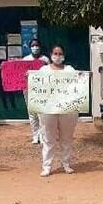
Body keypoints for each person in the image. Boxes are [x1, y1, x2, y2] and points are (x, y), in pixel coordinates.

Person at [38, 45, 79, 177]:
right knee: (48, 138)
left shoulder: (69, 70)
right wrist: (30, 77)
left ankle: (66, 164)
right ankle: (47, 166)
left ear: (64, 55)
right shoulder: (43, 70)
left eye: (60, 53)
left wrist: (85, 77)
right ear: (51, 54)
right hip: (48, 109)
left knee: (66, 138)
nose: (57, 56)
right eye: (55, 53)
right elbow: (37, 84)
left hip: (67, 109)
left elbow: (78, 83)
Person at [22, 38, 49, 144]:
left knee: (42, 114)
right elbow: (20, 74)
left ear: (40, 47)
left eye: (37, 45)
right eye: (33, 46)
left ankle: (42, 135)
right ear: (30, 48)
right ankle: (35, 135)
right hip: (28, 89)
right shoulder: (25, 60)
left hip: (41, 90)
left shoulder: (45, 60)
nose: (35, 47)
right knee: (32, 113)